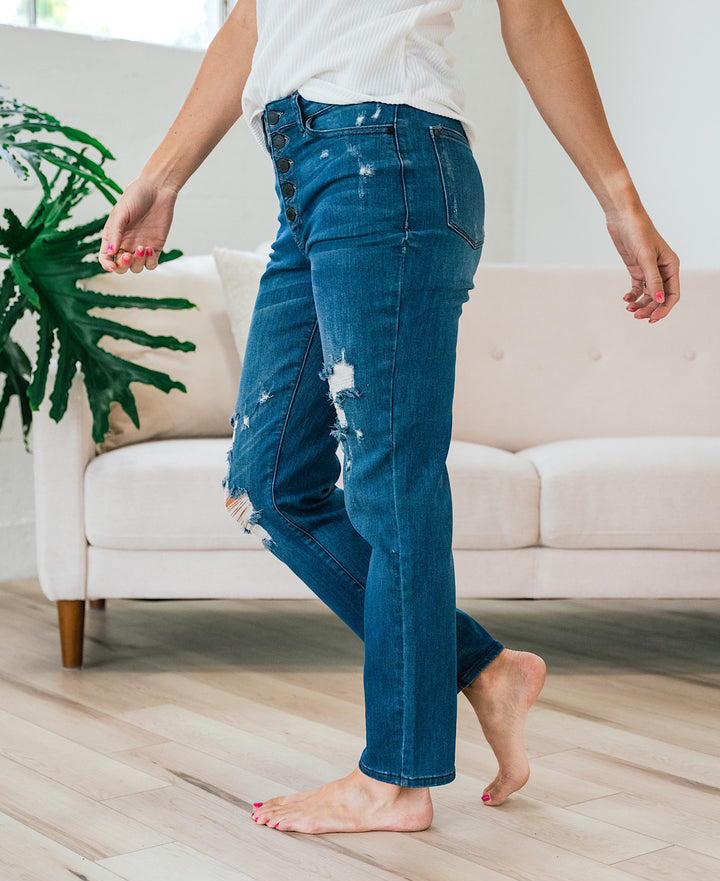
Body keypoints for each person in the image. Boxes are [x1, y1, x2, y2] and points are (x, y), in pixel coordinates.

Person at [98, 0, 680, 835]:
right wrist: (162, 176)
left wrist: (621, 202)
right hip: (307, 179)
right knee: (266, 485)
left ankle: (399, 780)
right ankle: (483, 667)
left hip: (389, 162)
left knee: (389, 481)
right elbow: (252, 22)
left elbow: (537, 19)